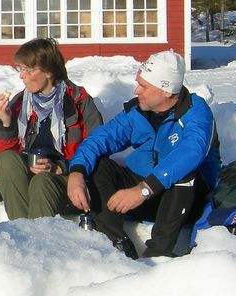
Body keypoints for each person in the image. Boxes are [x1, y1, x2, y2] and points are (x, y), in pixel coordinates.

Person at [66, 50, 221, 259]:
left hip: (184, 202)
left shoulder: (195, 112)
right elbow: (100, 139)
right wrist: (76, 172)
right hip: (145, 193)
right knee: (97, 165)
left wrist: (144, 190)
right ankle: (117, 243)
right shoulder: (138, 112)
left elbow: (191, 152)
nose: (137, 90)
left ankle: (157, 254)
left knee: (184, 172)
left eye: (144, 86)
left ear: (166, 91)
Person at [0, 38, 103, 220]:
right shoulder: (21, 102)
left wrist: (59, 167)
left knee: (42, 182)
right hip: (29, 174)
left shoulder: (78, 101)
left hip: (64, 178)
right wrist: (6, 123)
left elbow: (96, 147)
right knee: (6, 160)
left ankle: (34, 241)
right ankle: (22, 229)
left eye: (28, 69)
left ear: (49, 71)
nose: (22, 76)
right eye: (21, 69)